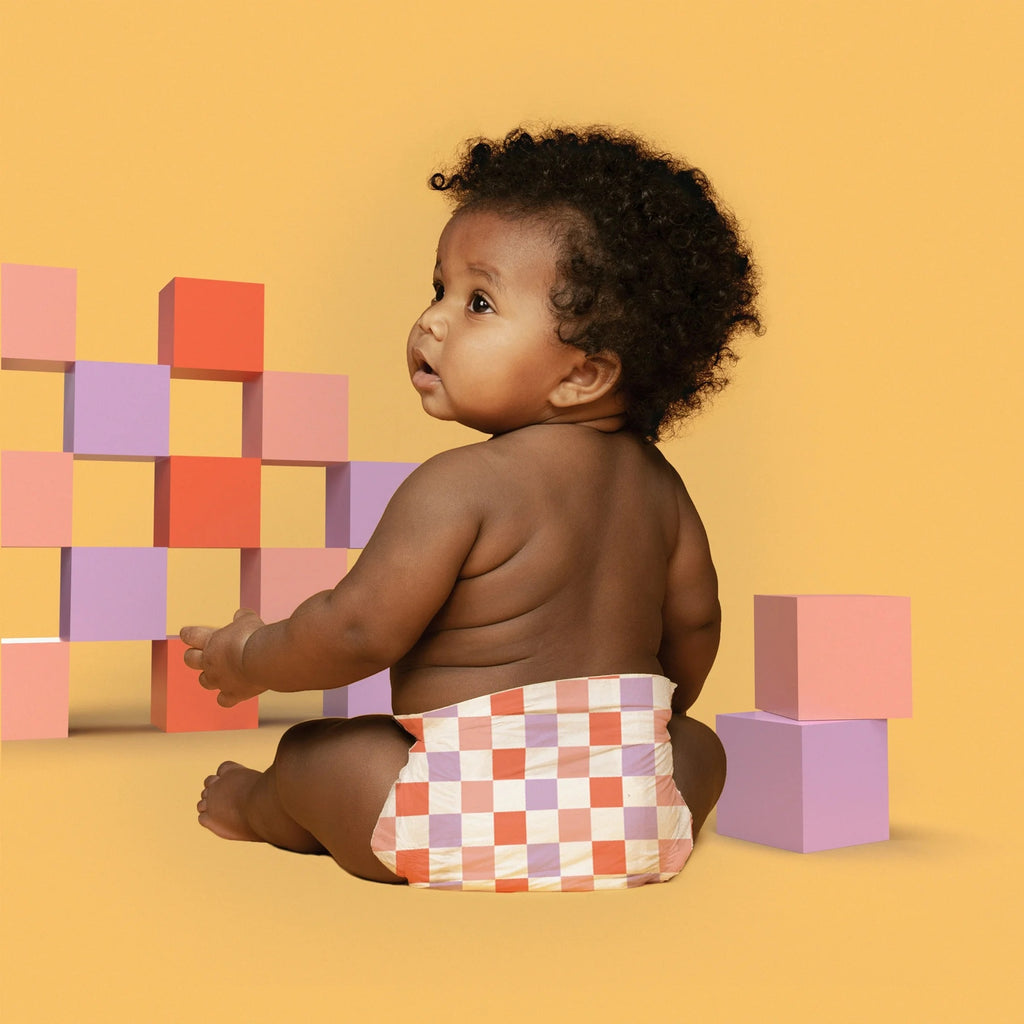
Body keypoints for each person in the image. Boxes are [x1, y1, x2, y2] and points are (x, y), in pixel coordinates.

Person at [182, 126, 762, 891]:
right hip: (629, 826)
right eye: (438, 290)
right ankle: (636, 818)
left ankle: (256, 806)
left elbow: (356, 631)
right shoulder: (660, 490)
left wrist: (252, 657)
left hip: (451, 823)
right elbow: (695, 625)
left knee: (319, 754)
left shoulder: (457, 484)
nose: (433, 321)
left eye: (478, 301)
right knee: (699, 743)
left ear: (583, 375)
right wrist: (635, 739)